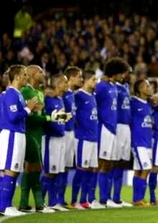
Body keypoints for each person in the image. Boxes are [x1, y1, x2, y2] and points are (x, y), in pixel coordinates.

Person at [0, 65, 38, 217]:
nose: (27, 77)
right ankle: (5, 207)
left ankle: (3, 205)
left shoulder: (14, 94)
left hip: (14, 133)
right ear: (17, 77)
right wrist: (28, 108)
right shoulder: (12, 94)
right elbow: (13, 117)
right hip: (12, 134)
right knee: (10, 171)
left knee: (8, 172)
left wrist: (29, 109)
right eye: (25, 74)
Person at [19, 65, 56, 214]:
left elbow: (41, 113)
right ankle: (39, 204)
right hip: (28, 133)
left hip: (38, 134)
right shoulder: (25, 91)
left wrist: (51, 117)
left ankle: (24, 203)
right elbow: (31, 117)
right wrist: (46, 117)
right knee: (33, 167)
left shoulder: (39, 92)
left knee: (33, 168)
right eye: (40, 71)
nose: (43, 74)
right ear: (33, 74)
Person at [95, 57, 129, 208]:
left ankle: (106, 198)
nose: (123, 76)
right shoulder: (101, 87)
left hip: (113, 129)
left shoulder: (113, 86)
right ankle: (100, 199)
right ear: (114, 73)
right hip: (104, 128)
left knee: (109, 164)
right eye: (121, 73)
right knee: (102, 163)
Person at [73, 70, 103, 209]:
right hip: (83, 138)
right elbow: (72, 115)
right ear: (85, 80)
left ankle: (86, 200)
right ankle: (74, 201)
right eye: (93, 79)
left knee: (92, 170)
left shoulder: (93, 96)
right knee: (81, 169)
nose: (96, 82)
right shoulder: (78, 96)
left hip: (93, 138)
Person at [41, 74, 71, 211]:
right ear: (58, 83)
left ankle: (53, 203)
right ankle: (40, 202)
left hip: (60, 137)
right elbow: (43, 116)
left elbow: (57, 117)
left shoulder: (60, 98)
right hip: (50, 138)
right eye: (65, 82)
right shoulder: (47, 98)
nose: (67, 85)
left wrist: (65, 117)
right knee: (49, 172)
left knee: (57, 171)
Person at [130, 79, 154, 207]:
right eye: (147, 86)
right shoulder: (133, 102)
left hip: (147, 142)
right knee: (146, 168)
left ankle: (136, 199)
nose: (150, 88)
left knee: (139, 170)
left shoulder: (149, 104)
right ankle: (139, 198)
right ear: (140, 89)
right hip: (138, 142)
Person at [112, 67, 133, 207]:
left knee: (122, 162)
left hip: (126, 127)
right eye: (126, 73)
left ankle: (117, 197)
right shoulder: (113, 87)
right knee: (113, 161)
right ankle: (107, 197)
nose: (128, 75)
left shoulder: (126, 87)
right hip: (117, 126)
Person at [63, 67, 83, 208]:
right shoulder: (63, 94)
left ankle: (61, 200)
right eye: (79, 77)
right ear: (71, 78)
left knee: (66, 168)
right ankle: (51, 200)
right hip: (62, 134)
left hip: (71, 133)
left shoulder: (71, 94)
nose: (81, 79)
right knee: (57, 168)